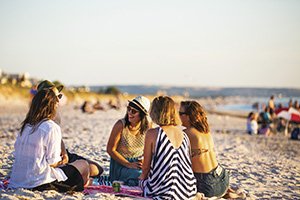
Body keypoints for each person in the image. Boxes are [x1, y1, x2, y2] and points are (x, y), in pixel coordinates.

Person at [9, 88, 90, 192]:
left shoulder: (25, 126)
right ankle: (84, 185)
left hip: (18, 181)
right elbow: (53, 162)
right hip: (40, 182)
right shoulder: (51, 127)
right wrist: (63, 161)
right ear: (53, 106)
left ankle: (85, 182)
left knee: (77, 167)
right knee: (84, 165)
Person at [36, 80, 103, 178]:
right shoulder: (42, 118)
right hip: (51, 159)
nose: (59, 100)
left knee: (97, 169)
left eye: (60, 96)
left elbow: (58, 138)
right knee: (91, 169)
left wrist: (64, 153)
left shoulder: (53, 114)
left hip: (59, 154)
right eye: (57, 97)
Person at [139, 96, 197, 199]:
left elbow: (146, 167)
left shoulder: (152, 133)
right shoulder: (184, 134)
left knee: (141, 182)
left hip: (164, 191)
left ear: (155, 112)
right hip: (188, 189)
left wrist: (141, 181)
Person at [179, 100, 229, 198]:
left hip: (207, 186)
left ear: (188, 116)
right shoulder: (205, 130)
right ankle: (227, 192)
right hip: (223, 179)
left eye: (180, 113)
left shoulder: (185, 134)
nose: (178, 116)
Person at [106, 96, 151, 186]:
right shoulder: (120, 125)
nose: (130, 113)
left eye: (134, 111)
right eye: (129, 109)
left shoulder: (148, 126)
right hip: (120, 164)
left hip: (137, 163)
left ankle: (129, 182)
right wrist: (128, 164)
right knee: (139, 175)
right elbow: (110, 149)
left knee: (151, 174)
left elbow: (150, 149)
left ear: (142, 114)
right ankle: (128, 182)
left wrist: (144, 161)